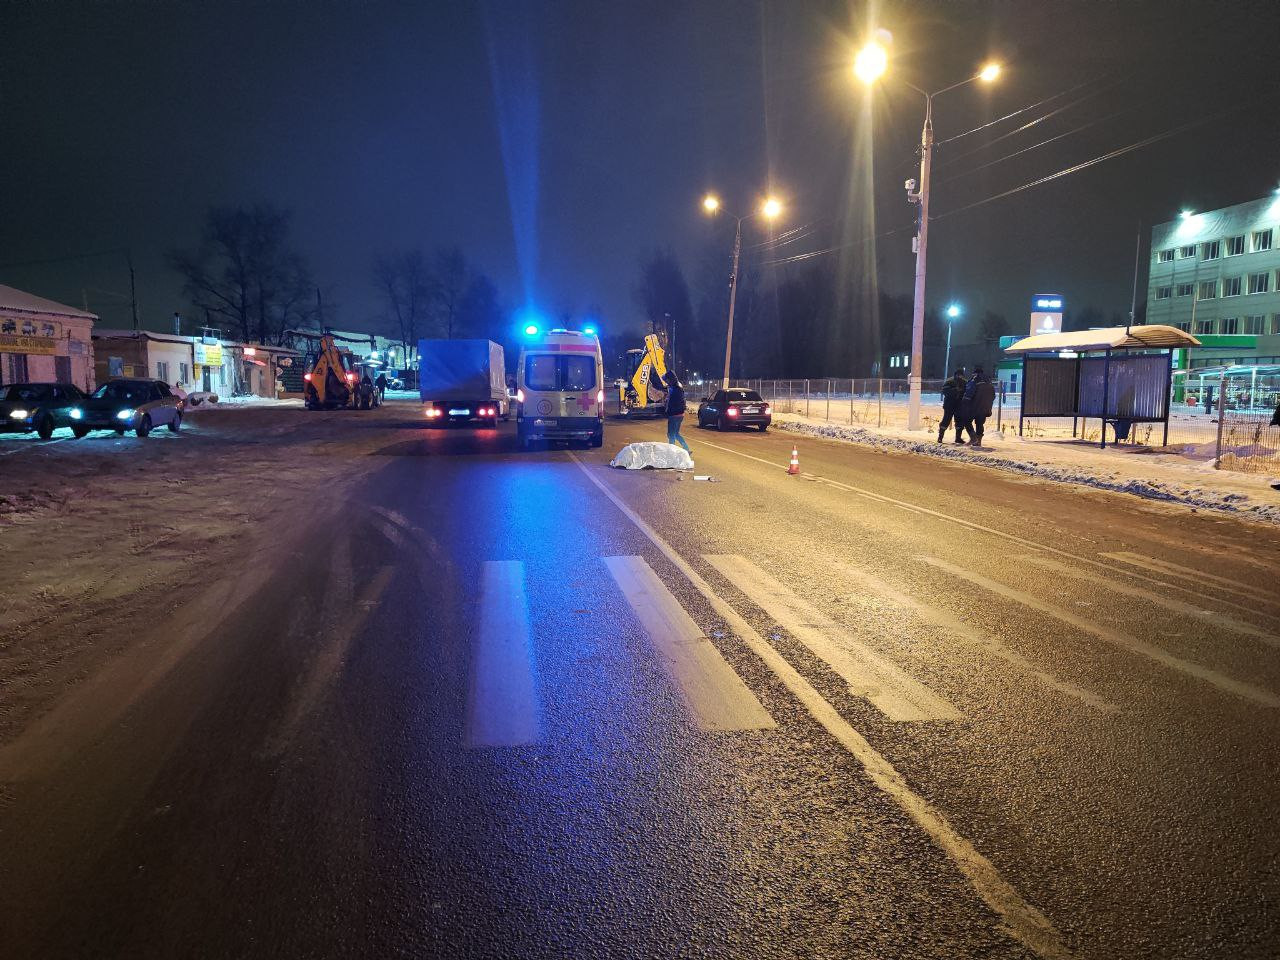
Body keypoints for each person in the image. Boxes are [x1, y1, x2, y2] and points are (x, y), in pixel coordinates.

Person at [966, 367, 996, 446]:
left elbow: (969, 393)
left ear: (976, 373)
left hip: (974, 406)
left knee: (967, 421)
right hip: (985, 407)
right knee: (980, 424)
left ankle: (973, 438)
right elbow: (993, 395)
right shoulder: (989, 382)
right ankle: (978, 441)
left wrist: (965, 402)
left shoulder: (975, 380)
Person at [664, 370, 691, 454]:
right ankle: (686, 449)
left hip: (674, 414)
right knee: (675, 433)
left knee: (671, 434)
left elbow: (673, 403)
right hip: (679, 414)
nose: (666, 382)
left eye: (667, 380)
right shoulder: (677, 386)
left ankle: (671, 451)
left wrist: (667, 410)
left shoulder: (676, 389)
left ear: (670, 379)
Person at [938, 368, 967, 444]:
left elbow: (967, 392)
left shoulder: (964, 382)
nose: (960, 377)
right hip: (949, 405)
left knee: (959, 422)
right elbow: (944, 391)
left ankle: (958, 438)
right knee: (946, 421)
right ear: (956, 374)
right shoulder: (949, 381)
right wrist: (955, 390)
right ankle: (940, 437)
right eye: (959, 375)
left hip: (959, 405)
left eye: (961, 375)